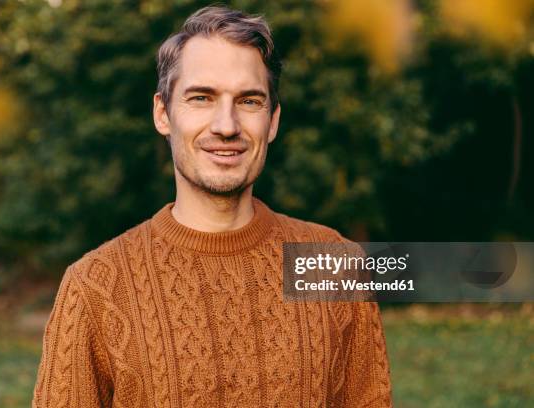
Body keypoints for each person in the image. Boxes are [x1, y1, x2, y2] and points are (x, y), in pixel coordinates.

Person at [32, 5, 392, 407]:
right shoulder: (95, 286)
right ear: (163, 113)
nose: (226, 126)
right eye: (201, 98)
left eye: (249, 101)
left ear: (272, 121)